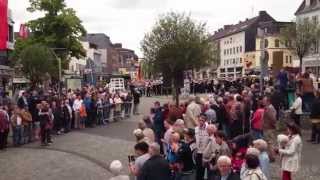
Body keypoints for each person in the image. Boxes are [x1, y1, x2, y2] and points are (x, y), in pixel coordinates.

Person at [195, 114, 210, 180]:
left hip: (206, 152)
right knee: (198, 169)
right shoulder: (196, 128)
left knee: (206, 169)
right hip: (198, 152)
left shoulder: (208, 128)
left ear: (205, 121)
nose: (200, 122)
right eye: (199, 120)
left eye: (202, 120)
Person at [262, 96, 277, 162]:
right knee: (269, 142)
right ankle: (271, 155)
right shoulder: (268, 108)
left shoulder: (270, 108)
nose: (263, 102)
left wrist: (273, 125)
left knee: (270, 143)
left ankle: (272, 156)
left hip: (269, 128)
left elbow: (273, 119)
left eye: (264, 101)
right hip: (267, 128)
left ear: (268, 101)